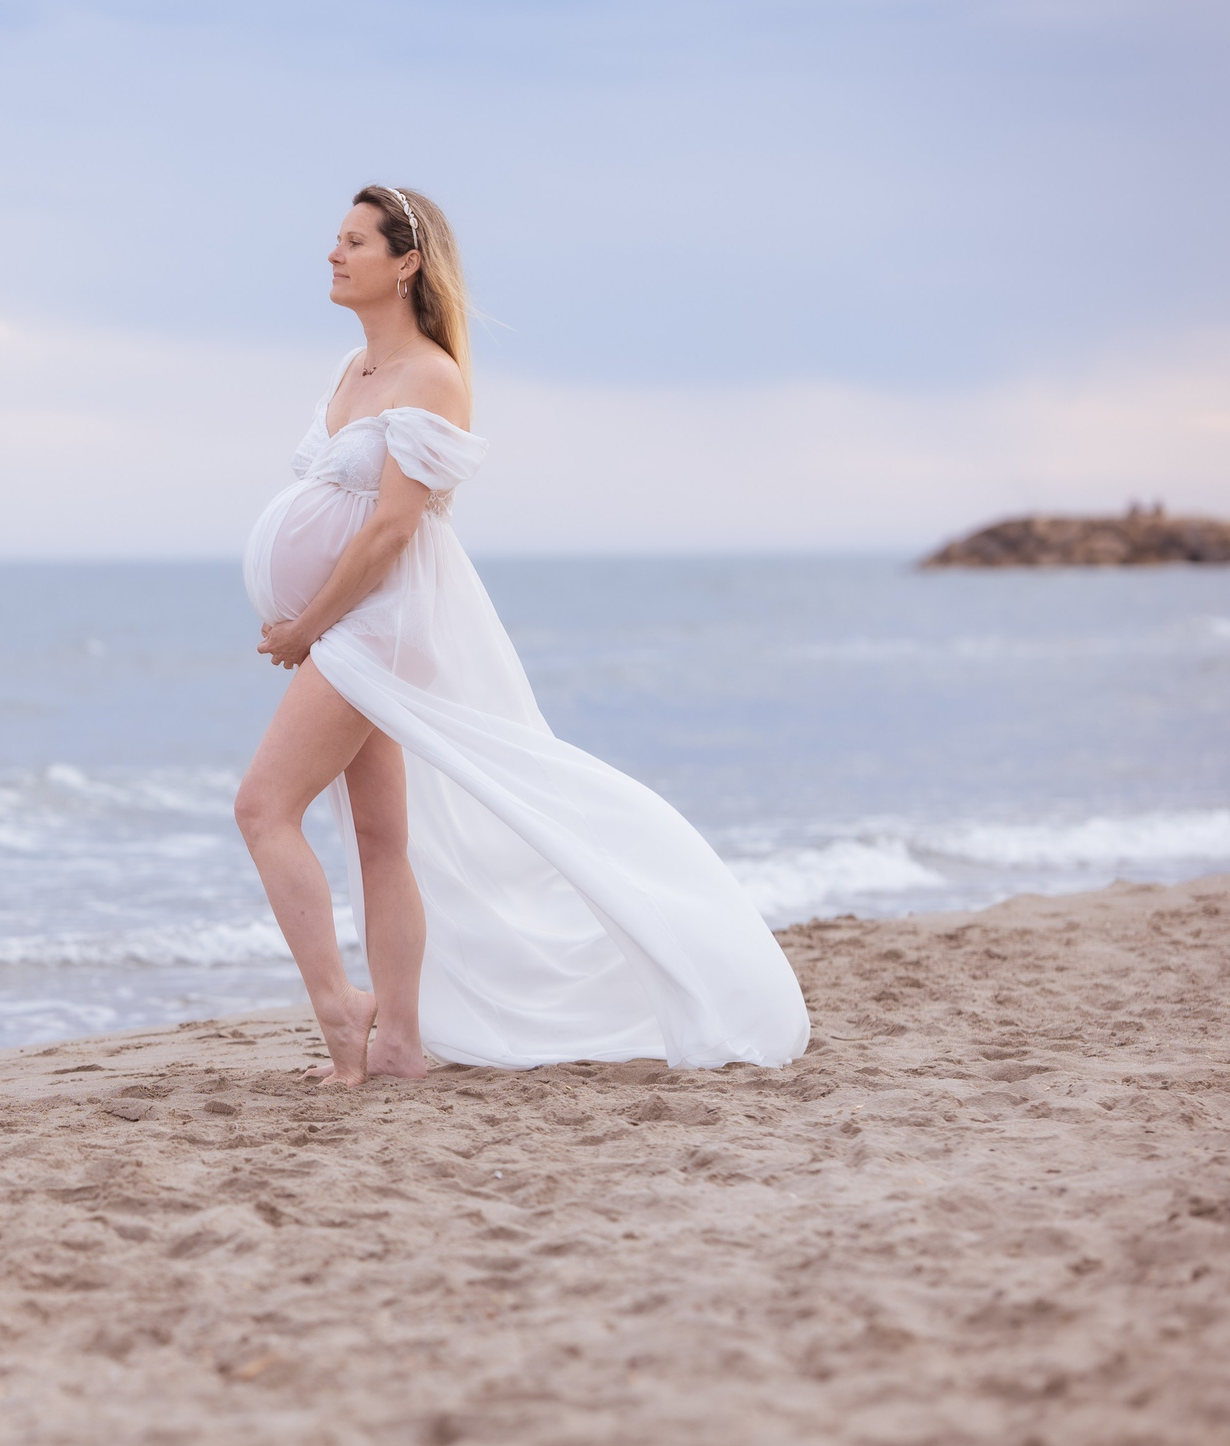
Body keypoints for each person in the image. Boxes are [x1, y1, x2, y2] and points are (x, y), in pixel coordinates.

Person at [234, 185, 811, 1087]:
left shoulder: (432, 375)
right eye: (334, 241)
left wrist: (307, 622)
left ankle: (343, 1011)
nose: (335, 256)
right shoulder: (352, 371)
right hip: (351, 625)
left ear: (407, 262)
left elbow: (390, 530)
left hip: (374, 625)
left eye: (354, 242)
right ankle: (399, 1043)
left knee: (262, 808)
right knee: (382, 838)